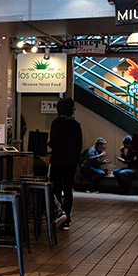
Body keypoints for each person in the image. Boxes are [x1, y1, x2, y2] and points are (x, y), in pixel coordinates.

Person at [48, 98, 82, 230]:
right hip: (71, 162)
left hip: (57, 161)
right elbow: (79, 146)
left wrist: (49, 142)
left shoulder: (57, 123)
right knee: (68, 190)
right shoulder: (76, 125)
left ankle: (58, 214)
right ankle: (67, 218)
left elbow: (54, 143)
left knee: (55, 188)